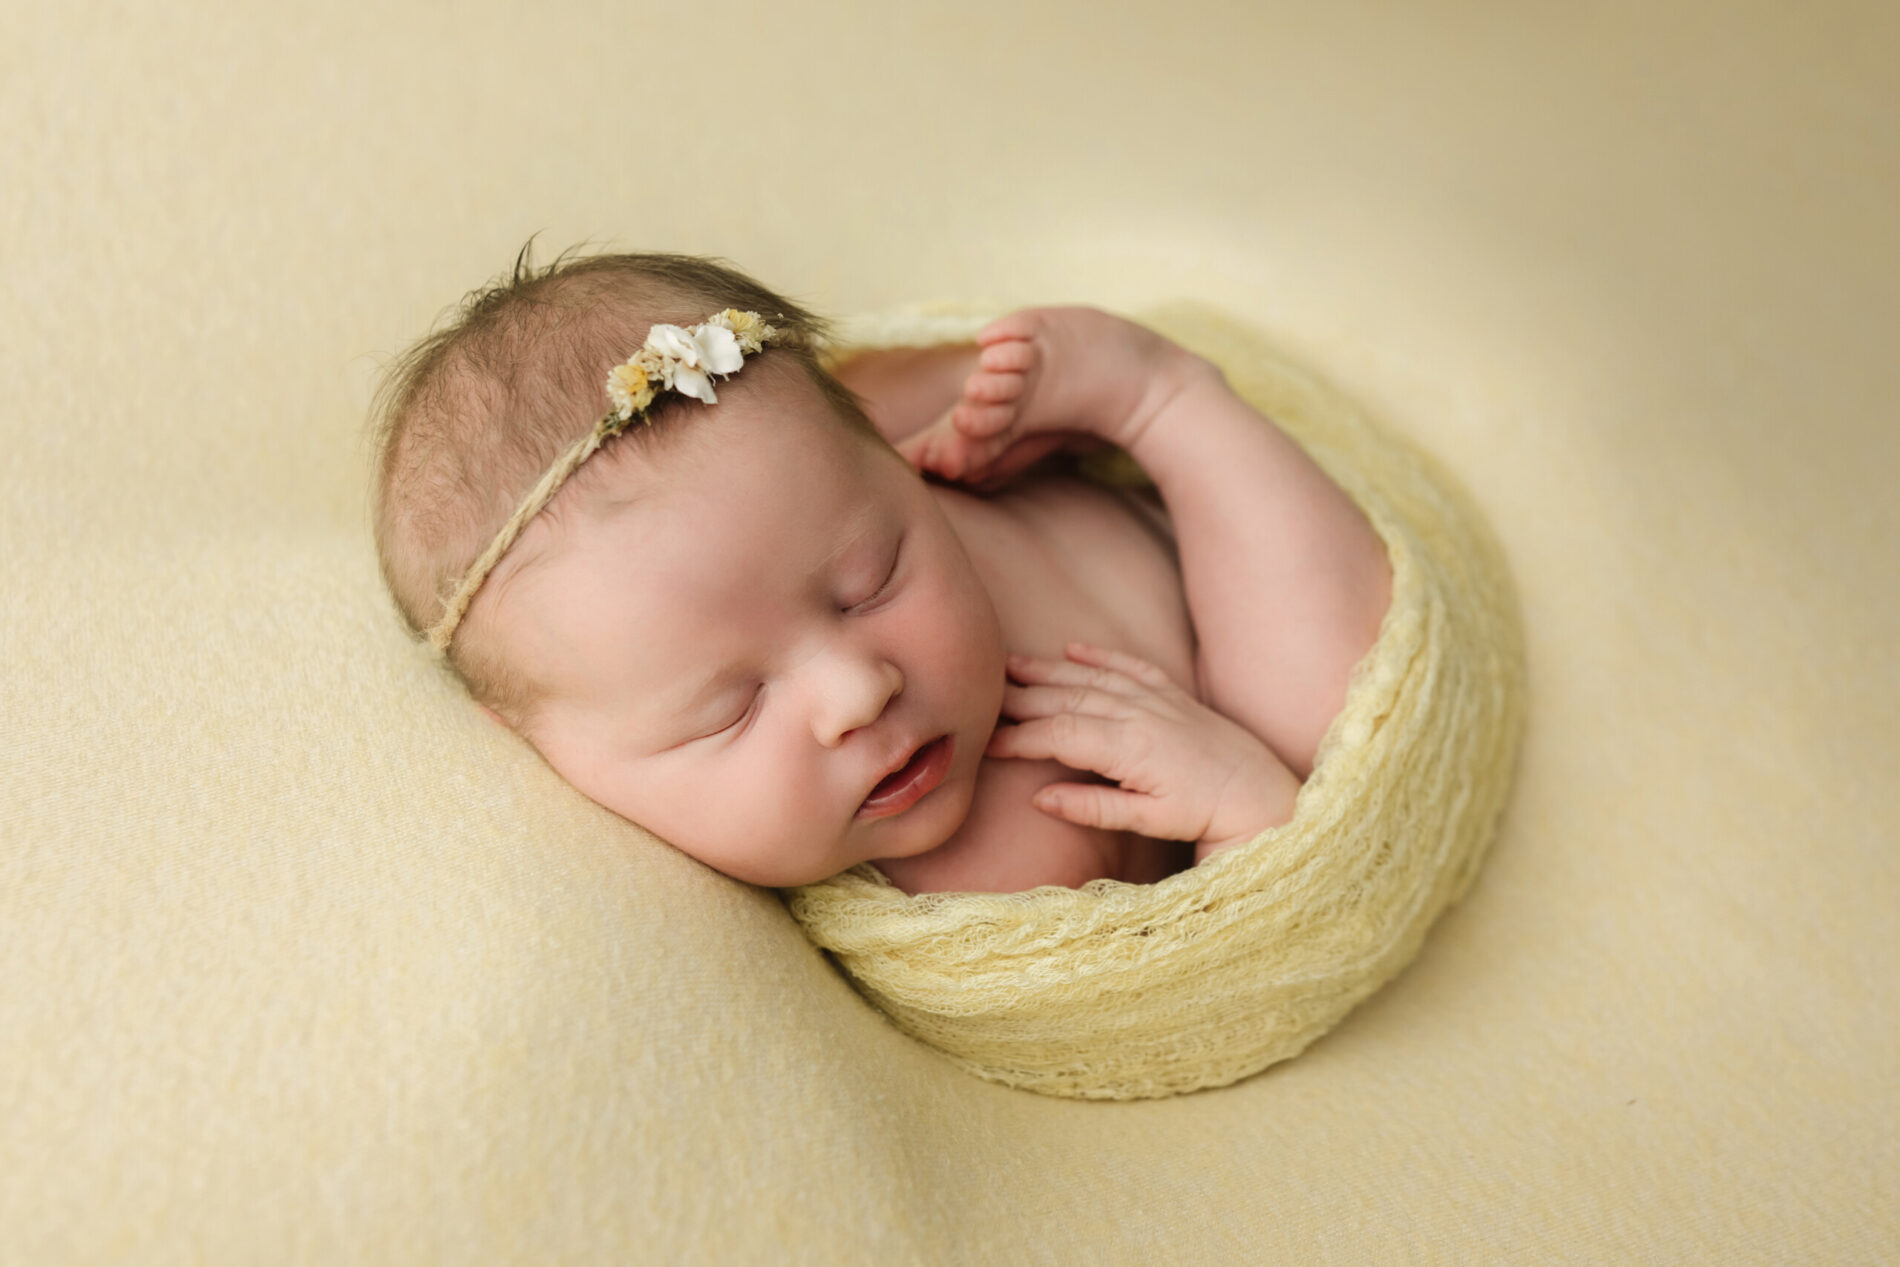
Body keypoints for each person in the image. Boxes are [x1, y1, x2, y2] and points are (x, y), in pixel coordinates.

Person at [370, 251, 1390, 895]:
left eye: (871, 582)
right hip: (1228, 684)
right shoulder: (1009, 882)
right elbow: (1208, 987)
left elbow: (814, 425)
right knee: (1301, 731)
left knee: (1334, 718)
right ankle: (1148, 403)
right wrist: (1243, 815)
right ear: (539, 748)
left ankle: (1156, 401)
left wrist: (978, 418)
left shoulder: (796, 487)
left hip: (1105, 511)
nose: (858, 692)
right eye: (731, 708)